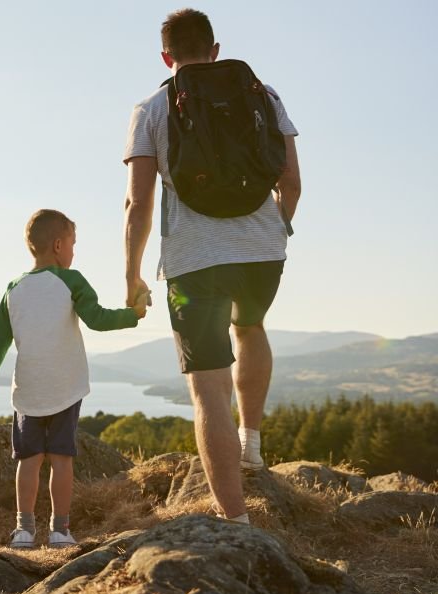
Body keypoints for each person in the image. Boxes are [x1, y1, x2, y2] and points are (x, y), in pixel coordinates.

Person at [121, 9, 301, 523]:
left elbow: (138, 204)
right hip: (263, 253)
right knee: (250, 328)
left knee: (207, 387)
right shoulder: (263, 95)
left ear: (166, 57)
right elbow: (291, 183)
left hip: (194, 261)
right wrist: (277, 227)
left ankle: (235, 520)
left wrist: (132, 273)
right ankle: (251, 443)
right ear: (215, 49)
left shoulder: (151, 108)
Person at [0, 210, 146, 548]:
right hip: (65, 387)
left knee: (29, 461)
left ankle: (24, 530)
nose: (74, 251)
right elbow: (97, 319)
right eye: (73, 244)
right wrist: (133, 315)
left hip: (29, 391)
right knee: (62, 460)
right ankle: (60, 531)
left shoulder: (13, 288)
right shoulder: (72, 280)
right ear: (59, 245)